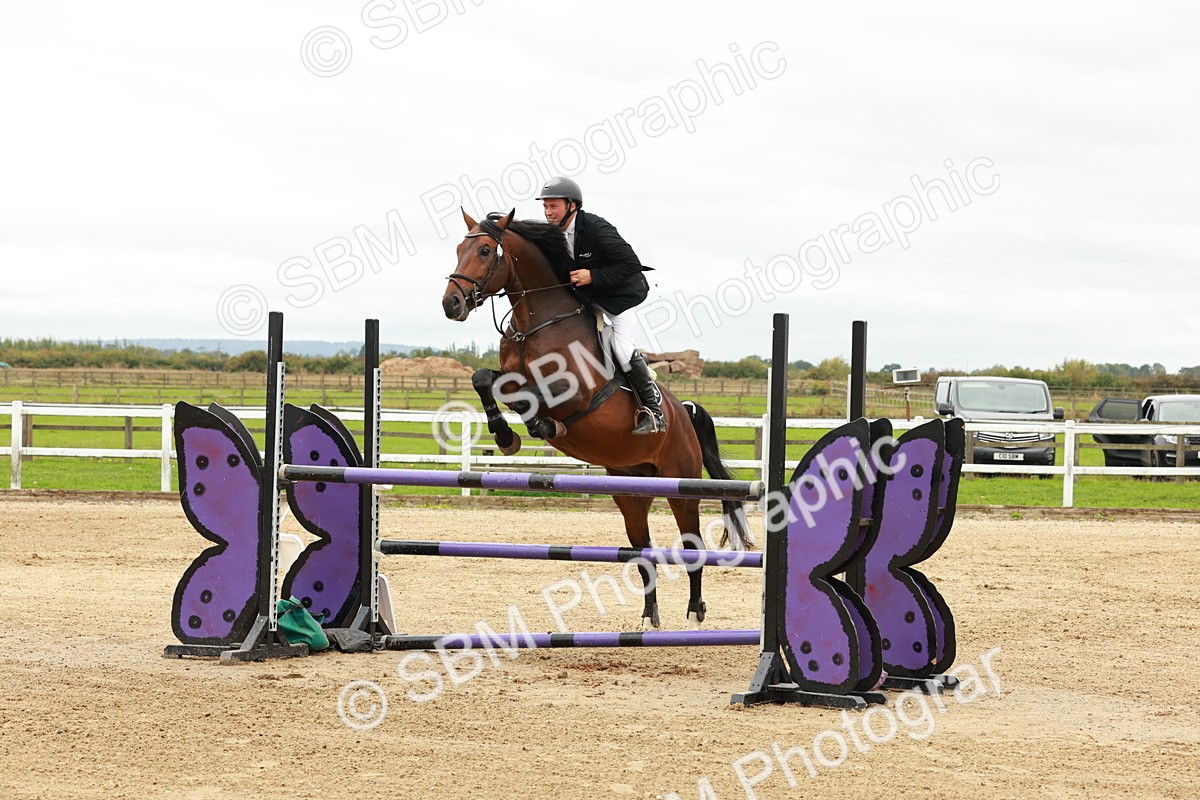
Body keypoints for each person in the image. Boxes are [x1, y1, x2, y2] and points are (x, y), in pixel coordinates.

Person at [536, 176, 665, 435]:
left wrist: (592, 276)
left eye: (554, 206)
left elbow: (630, 264)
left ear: (572, 206)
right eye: (546, 207)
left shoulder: (596, 227)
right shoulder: (552, 234)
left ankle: (654, 412)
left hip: (620, 298)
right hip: (586, 300)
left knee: (621, 346)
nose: (549, 213)